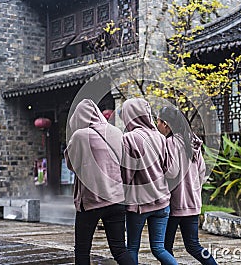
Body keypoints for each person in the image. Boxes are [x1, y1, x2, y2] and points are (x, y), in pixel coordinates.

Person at [65, 99, 134, 265]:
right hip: (116, 199)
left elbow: (71, 165)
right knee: (119, 249)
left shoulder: (80, 136)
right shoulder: (116, 132)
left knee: (82, 251)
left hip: (90, 202)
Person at [157, 106, 218, 265]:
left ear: (166, 124)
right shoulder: (192, 141)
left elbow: (172, 172)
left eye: (158, 121)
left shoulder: (170, 142)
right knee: (193, 245)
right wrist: (194, 188)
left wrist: (159, 168)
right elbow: (201, 171)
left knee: (164, 247)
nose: (156, 124)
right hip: (192, 201)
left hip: (175, 202)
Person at [120, 98, 178, 265]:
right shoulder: (160, 137)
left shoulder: (129, 138)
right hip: (162, 202)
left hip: (139, 205)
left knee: (132, 248)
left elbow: (127, 174)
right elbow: (170, 170)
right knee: (159, 248)